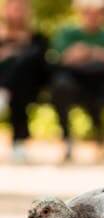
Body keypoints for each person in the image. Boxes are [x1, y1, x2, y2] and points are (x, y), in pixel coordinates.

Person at [51, 0, 104, 162]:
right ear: (80, 13)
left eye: (97, 13)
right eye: (87, 12)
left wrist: (87, 52)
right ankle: (68, 142)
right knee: (59, 86)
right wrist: (98, 54)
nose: (92, 16)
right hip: (76, 81)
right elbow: (65, 57)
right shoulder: (68, 33)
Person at [0, 0, 48, 163]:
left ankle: (5, 92)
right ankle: (18, 141)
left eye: (21, 8)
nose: (17, 12)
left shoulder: (37, 38)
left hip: (28, 86)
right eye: (13, 8)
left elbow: (40, 63)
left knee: (20, 73)